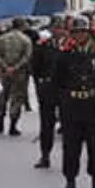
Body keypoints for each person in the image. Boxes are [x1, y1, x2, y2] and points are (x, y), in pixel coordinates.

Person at [53, 17, 95, 188]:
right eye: (76, 32)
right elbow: (57, 80)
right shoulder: (65, 54)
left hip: (92, 106)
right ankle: (70, 183)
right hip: (72, 106)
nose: (79, 35)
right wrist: (60, 103)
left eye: (82, 32)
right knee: (71, 147)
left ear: (89, 33)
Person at [32, 22, 65, 168]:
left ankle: (69, 158)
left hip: (65, 90)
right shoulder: (43, 45)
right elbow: (35, 68)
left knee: (70, 126)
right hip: (48, 89)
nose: (58, 31)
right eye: (56, 28)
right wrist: (40, 87)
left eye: (61, 28)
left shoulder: (71, 46)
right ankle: (45, 155)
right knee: (46, 124)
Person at [0, 18, 33, 137]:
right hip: (19, 73)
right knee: (17, 97)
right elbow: (27, 57)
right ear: (22, 26)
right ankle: (12, 125)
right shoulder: (25, 39)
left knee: (2, 95)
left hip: (4, 73)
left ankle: (0, 120)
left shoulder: (2, 38)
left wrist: (5, 67)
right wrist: (15, 67)